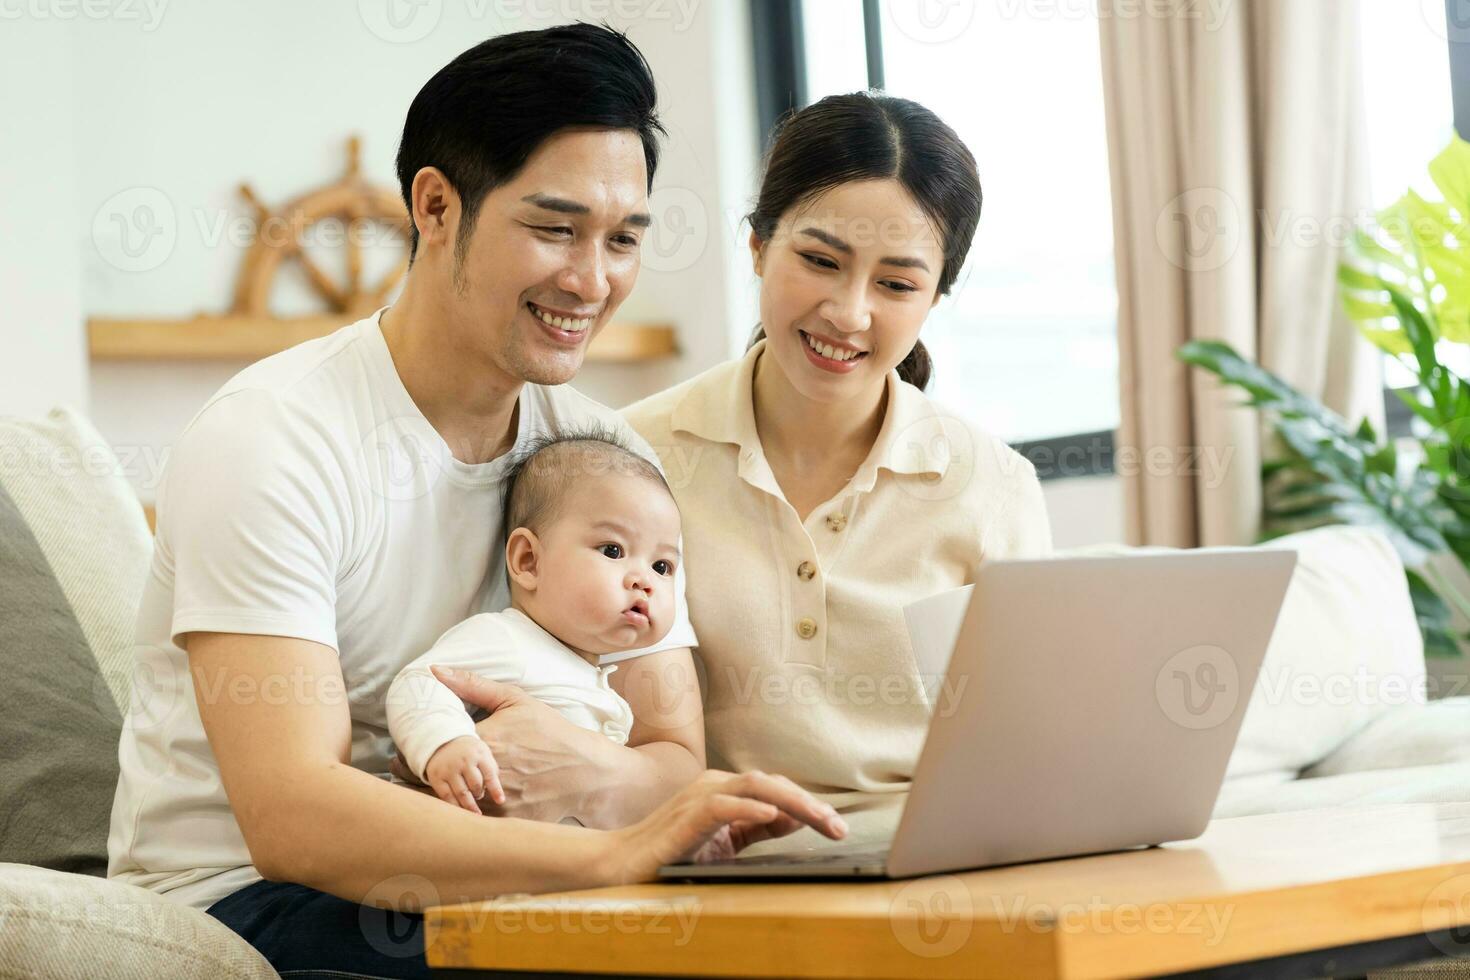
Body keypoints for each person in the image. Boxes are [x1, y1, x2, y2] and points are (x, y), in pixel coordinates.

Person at [107, 25, 844, 980]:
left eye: (623, 239)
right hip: (253, 898)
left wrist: (608, 787)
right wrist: (612, 848)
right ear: (436, 206)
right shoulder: (272, 437)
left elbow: (671, 751)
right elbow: (293, 816)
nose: (592, 280)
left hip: (510, 872)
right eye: (553, 228)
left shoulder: (599, 456)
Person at [624, 92, 1054, 841]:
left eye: (896, 283)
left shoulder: (995, 487)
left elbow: (1026, 747)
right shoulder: (632, 456)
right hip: (709, 867)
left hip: (929, 861)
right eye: (820, 261)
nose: (848, 313)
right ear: (758, 246)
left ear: (936, 296)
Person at [386, 431, 684, 814]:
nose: (644, 580)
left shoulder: (593, 675)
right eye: (613, 550)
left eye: (662, 566)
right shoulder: (507, 639)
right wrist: (446, 744)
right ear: (529, 561)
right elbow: (419, 682)